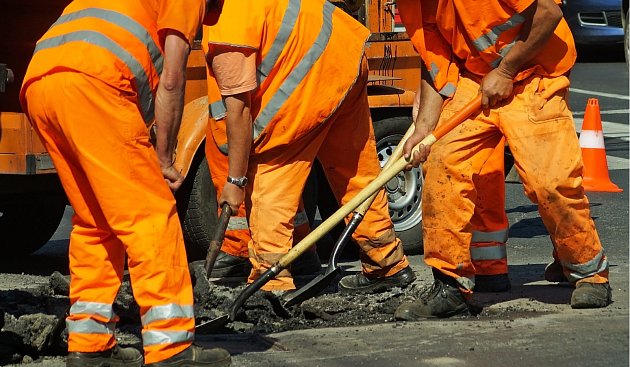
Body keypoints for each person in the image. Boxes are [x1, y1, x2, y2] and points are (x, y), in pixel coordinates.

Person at [20, 0, 231, 367]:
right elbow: (171, 79)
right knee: (151, 213)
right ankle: (171, 344)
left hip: (41, 80)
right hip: (95, 81)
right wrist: (164, 158)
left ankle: (89, 342)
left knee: (95, 220)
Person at [393, 0, 611, 320]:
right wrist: (423, 129)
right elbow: (436, 64)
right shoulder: (414, 4)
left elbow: (548, 13)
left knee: (549, 182)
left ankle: (589, 271)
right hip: (476, 78)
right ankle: (449, 284)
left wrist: (507, 69)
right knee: (442, 163)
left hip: (535, 74)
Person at [203, 0, 415, 293]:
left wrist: (236, 180)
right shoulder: (240, 9)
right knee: (356, 173)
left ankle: (271, 280)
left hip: (312, 78)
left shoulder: (226, 29)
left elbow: (238, 111)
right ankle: (387, 263)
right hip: (345, 57)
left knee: (272, 168)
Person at [203, 75, 322, 280]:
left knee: (257, 170)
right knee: (280, 177)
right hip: (263, 95)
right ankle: (299, 248)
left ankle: (245, 253)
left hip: (247, 98)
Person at [413, 84, 512, 293]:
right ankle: (487, 269)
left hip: (491, 80)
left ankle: (479, 271)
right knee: (481, 173)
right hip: (481, 79)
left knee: (470, 168)